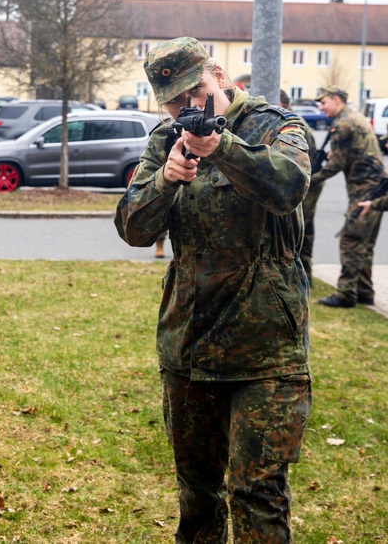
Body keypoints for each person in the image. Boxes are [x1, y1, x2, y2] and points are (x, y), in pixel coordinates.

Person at [115, 37, 312, 542]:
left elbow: (288, 187)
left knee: (258, 492)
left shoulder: (277, 126)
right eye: (176, 102)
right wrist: (166, 179)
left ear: (219, 75)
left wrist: (222, 148)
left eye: (196, 92)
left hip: (266, 348)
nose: (189, 108)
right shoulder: (165, 139)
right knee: (197, 493)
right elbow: (134, 229)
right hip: (190, 342)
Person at [311, 86, 385, 308]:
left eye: (324, 103)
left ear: (336, 100)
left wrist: (309, 179)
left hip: (366, 190)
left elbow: (336, 164)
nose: (321, 108)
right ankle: (364, 291)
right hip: (377, 186)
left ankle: (346, 294)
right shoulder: (356, 118)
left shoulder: (344, 124)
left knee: (351, 240)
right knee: (365, 244)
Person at [281, 90, 322, 284]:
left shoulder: (291, 124)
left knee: (301, 227)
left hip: (306, 182)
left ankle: (304, 273)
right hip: (307, 179)